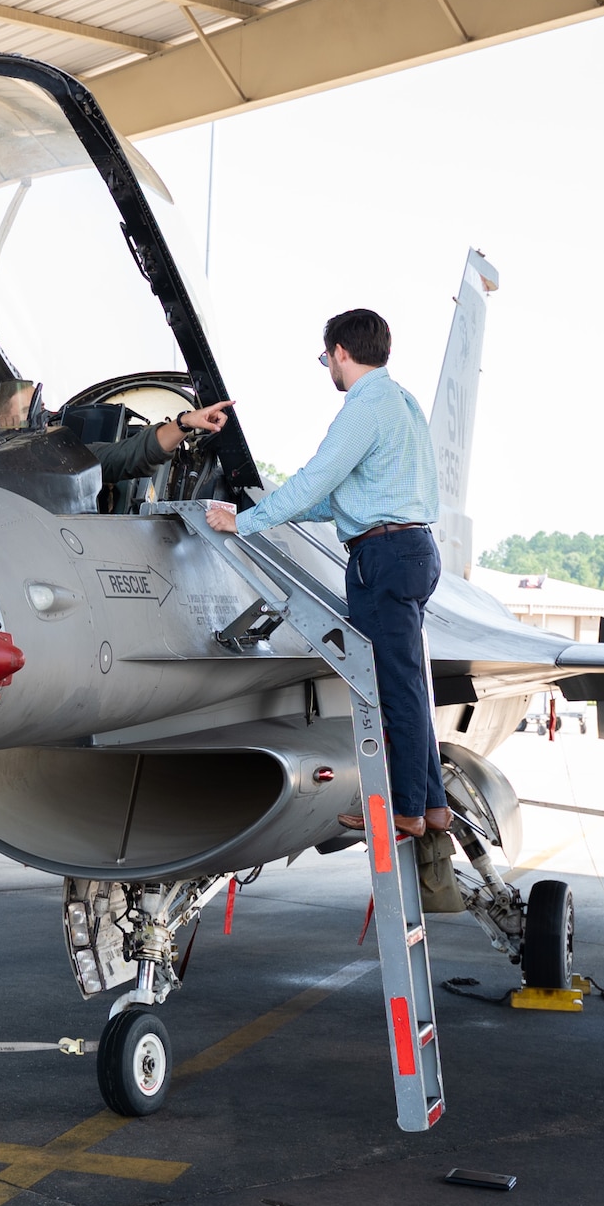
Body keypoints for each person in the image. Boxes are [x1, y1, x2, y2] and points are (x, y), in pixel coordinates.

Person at [206, 308, 448, 837]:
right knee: (408, 685)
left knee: (392, 690)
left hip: (382, 557)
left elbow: (318, 479)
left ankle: (404, 810)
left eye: (326, 358)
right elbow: (340, 499)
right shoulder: (403, 403)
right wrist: (275, 506)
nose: (329, 368)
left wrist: (243, 521)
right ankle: (431, 804)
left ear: (341, 352)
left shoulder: (364, 407)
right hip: (414, 549)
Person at [0, 376, 233, 488]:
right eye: (29, 410)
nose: (45, 416)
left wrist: (184, 423)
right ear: (2, 420)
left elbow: (130, 455)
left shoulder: (61, 457)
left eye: (40, 407)